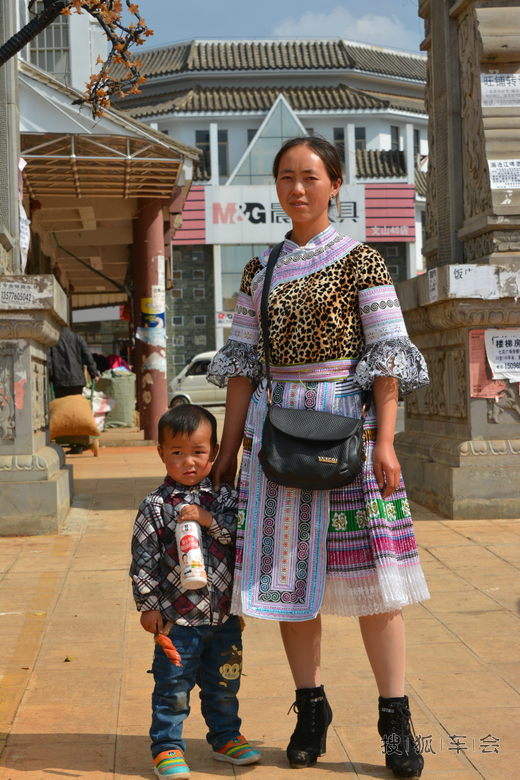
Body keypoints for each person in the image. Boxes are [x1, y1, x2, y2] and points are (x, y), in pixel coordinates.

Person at [208, 136, 430, 780]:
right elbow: (244, 365)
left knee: (374, 583)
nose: (296, 189)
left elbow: (387, 355)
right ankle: (311, 710)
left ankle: (396, 720)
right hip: (276, 439)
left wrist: (384, 441)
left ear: (335, 183)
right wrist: (229, 449)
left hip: (348, 432)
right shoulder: (261, 269)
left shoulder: (364, 262)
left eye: (309, 176)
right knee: (287, 584)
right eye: (285, 177)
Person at [129, 405, 261, 779]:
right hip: (176, 620)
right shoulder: (155, 506)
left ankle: (225, 738)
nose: (189, 462)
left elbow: (242, 541)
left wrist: (209, 521)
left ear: (215, 452)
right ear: (161, 453)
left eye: (199, 452)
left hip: (223, 616)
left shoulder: (224, 500)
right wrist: (148, 606)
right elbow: (143, 560)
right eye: (177, 453)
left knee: (224, 681)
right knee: (172, 685)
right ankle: (167, 747)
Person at [48, 325, 100, 398]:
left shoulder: (52, 340)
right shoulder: (79, 338)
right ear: (69, 326)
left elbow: (49, 361)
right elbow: (89, 358)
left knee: (62, 406)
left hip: (59, 381)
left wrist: (50, 377)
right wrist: (93, 374)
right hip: (77, 380)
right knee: (75, 405)